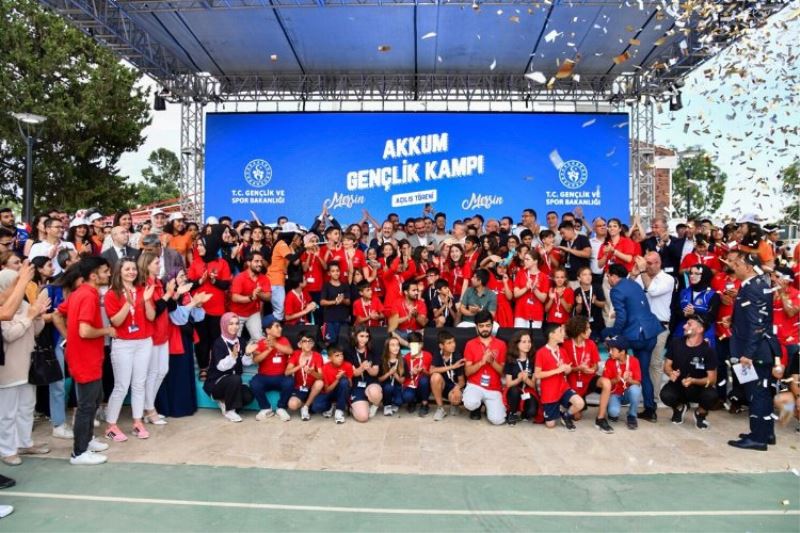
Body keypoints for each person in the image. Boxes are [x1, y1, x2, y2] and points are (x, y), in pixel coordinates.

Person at [53, 257, 114, 465]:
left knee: (95, 399)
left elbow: (57, 316)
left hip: (87, 356)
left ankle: (87, 440)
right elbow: (85, 331)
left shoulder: (81, 292)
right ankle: (79, 452)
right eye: (105, 271)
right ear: (93, 276)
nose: (108, 274)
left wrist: (70, 338)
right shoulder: (87, 295)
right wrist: (107, 330)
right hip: (85, 358)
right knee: (87, 405)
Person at [727, 252, 782, 451]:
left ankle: (758, 438)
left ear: (748, 267)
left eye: (737, 264)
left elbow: (757, 325)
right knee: (763, 393)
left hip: (755, 352)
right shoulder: (756, 284)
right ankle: (765, 433)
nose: (733, 267)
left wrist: (748, 354)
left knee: (756, 394)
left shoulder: (753, 288)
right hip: (758, 348)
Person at [602, 263, 664, 422]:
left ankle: (614, 399)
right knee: (644, 372)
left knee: (607, 339)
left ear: (614, 276)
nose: (608, 279)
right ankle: (650, 410)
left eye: (608, 276)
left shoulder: (616, 290)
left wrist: (611, 335)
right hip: (650, 333)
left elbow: (621, 318)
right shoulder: (635, 284)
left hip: (635, 335)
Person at [103, 257, 156, 442]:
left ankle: (137, 422)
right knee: (121, 386)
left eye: (133, 269)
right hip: (123, 344)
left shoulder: (143, 290)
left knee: (139, 384)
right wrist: (128, 303)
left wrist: (146, 300)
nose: (131, 272)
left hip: (144, 342)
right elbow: (116, 322)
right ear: (119, 271)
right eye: (127, 269)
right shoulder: (112, 294)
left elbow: (151, 316)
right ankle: (111, 426)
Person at [0, 270, 49, 466]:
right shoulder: (4, 308)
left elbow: (35, 331)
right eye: (16, 283)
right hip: (9, 369)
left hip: (29, 365)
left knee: (27, 407)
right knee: (7, 413)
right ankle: (7, 450)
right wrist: (29, 317)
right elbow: (9, 335)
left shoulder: (24, 304)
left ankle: (24, 443)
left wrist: (38, 317)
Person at [630, 252, 674, 402]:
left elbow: (653, 291)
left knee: (654, 363)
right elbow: (626, 290)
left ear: (658, 263)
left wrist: (642, 272)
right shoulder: (640, 276)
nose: (646, 266)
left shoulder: (668, 279)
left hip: (659, 325)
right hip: (640, 325)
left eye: (649, 263)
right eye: (645, 263)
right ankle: (639, 395)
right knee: (639, 362)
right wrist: (633, 274)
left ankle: (653, 398)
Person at [187, 230, 231, 379]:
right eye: (198, 245)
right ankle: (203, 367)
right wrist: (200, 281)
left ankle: (216, 366)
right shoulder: (195, 263)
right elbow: (188, 285)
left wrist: (213, 281)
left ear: (210, 246)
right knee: (201, 340)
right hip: (199, 309)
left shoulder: (222, 263)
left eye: (201, 245)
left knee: (216, 339)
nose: (198, 248)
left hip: (217, 309)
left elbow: (226, 285)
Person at [660, 316, 718, 430]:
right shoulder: (675, 343)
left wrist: (693, 380)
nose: (684, 326)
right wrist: (671, 373)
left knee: (712, 396)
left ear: (700, 329)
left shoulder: (708, 350)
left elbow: (712, 379)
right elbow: (667, 365)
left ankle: (700, 413)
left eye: (689, 324)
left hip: (699, 388)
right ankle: (679, 408)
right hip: (678, 385)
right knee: (666, 395)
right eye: (686, 323)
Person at [138, 252, 175, 426]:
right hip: (151, 334)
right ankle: (149, 409)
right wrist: (167, 295)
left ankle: (148, 407)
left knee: (162, 371)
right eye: (156, 263)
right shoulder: (145, 284)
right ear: (146, 265)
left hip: (163, 332)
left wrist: (172, 294)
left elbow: (167, 306)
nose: (159, 265)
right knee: (152, 373)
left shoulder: (159, 283)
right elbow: (152, 312)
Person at [205, 313, 254, 422]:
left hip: (233, 383)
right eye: (230, 324)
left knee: (248, 396)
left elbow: (245, 362)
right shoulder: (218, 343)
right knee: (235, 379)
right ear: (224, 325)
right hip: (217, 384)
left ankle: (224, 402)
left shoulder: (241, 341)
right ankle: (230, 410)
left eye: (236, 323)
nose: (234, 327)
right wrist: (232, 356)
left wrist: (247, 353)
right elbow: (221, 367)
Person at [534, 324, 585, 430]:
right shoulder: (541, 352)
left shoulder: (562, 350)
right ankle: (557, 409)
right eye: (560, 331)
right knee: (550, 425)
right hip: (549, 391)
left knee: (580, 403)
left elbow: (567, 371)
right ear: (551, 335)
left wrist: (567, 369)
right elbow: (537, 374)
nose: (563, 334)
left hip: (563, 387)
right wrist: (557, 370)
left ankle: (565, 416)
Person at [462, 311, 507, 425]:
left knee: (498, 420)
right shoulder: (470, 344)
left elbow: (503, 372)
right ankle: (477, 407)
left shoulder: (501, 344)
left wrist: (492, 362)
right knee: (470, 403)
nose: (485, 329)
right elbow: (467, 372)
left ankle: (487, 406)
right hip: (475, 385)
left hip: (494, 387)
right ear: (476, 327)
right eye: (481, 326)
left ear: (492, 325)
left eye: (488, 325)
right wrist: (482, 362)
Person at [249, 316, 294, 422]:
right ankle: (265, 408)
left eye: (280, 326)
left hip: (281, 376)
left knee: (289, 382)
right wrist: (268, 350)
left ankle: (281, 408)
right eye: (277, 326)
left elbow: (290, 351)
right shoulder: (261, 343)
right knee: (254, 383)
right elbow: (255, 360)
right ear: (268, 330)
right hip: (264, 377)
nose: (280, 328)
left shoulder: (283, 340)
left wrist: (275, 344)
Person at [599, 336, 643, 430]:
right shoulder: (609, 362)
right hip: (614, 394)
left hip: (627, 394)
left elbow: (638, 383)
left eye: (613, 350)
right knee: (613, 413)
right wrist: (616, 379)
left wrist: (629, 380)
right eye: (610, 349)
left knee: (636, 389)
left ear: (622, 351)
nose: (610, 352)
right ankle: (611, 408)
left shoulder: (634, 361)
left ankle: (632, 415)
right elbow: (605, 383)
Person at [229, 251, 271, 341]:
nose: (260, 264)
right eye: (256, 261)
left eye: (261, 261)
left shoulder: (264, 278)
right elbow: (234, 297)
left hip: (253, 313)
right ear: (248, 263)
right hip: (237, 314)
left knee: (258, 339)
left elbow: (268, 297)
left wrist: (259, 293)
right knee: (234, 340)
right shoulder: (239, 277)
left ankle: (249, 349)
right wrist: (251, 297)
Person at [344, 326, 383, 422]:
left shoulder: (373, 350)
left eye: (367, 336)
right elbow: (354, 373)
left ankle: (375, 405)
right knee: (363, 417)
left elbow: (375, 373)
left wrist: (368, 368)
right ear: (355, 336)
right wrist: (362, 367)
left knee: (375, 393)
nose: (364, 339)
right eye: (361, 336)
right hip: (357, 385)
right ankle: (353, 406)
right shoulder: (348, 351)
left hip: (371, 383)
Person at [285, 331, 325, 421]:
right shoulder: (295, 354)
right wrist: (299, 366)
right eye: (304, 341)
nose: (307, 343)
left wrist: (312, 372)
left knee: (320, 383)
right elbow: (287, 372)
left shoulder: (317, 356)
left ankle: (305, 407)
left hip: (313, 388)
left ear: (313, 344)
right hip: (300, 388)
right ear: (299, 344)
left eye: (310, 341)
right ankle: (307, 403)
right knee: (292, 405)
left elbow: (321, 376)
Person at [562, 315, 600, 409]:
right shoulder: (566, 345)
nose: (590, 331)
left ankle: (601, 416)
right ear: (579, 330)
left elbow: (596, 365)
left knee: (606, 383)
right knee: (577, 413)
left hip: (589, 380)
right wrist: (578, 368)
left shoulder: (591, 343)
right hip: (573, 382)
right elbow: (564, 370)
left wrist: (593, 369)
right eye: (587, 328)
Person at [504, 330, 538, 426]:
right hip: (513, 390)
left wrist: (526, 379)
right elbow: (508, 384)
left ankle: (524, 414)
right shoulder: (510, 360)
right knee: (514, 391)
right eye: (524, 342)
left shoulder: (533, 360)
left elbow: (533, 385)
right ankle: (512, 413)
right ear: (517, 344)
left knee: (532, 412)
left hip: (527, 390)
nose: (527, 344)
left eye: (529, 341)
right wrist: (519, 379)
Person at [429, 330, 465, 421]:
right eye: (449, 343)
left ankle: (454, 405)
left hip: (454, 386)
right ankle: (440, 408)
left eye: (453, 342)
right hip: (442, 386)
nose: (453, 345)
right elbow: (431, 370)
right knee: (435, 377)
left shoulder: (457, 355)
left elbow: (462, 381)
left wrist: (457, 389)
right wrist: (452, 366)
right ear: (441, 346)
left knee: (455, 398)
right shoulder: (438, 353)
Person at [313, 345, 352, 424]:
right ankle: (331, 405)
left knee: (344, 381)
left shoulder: (348, 365)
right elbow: (327, 390)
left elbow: (350, 385)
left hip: (342, 392)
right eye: (337, 355)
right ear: (329, 358)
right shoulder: (325, 368)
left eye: (341, 355)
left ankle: (339, 410)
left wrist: (345, 376)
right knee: (316, 407)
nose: (341, 358)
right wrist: (337, 379)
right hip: (330, 393)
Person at [512, 250, 550, 329]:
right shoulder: (520, 274)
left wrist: (535, 289)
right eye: (524, 259)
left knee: (534, 336)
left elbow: (543, 299)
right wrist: (526, 288)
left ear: (535, 261)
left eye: (528, 259)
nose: (525, 261)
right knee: (518, 335)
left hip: (536, 314)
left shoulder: (544, 277)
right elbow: (515, 294)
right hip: (521, 313)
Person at [387, 279, 427, 345]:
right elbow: (393, 322)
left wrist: (416, 315)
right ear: (406, 292)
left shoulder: (421, 303)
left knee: (422, 333)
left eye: (417, 290)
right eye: (413, 290)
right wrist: (408, 317)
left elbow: (423, 323)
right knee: (391, 332)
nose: (416, 293)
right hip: (401, 333)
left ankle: (410, 345)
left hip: (416, 333)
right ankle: (408, 345)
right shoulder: (397, 303)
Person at [402, 331, 433, 416]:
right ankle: (412, 402)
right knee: (407, 397)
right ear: (409, 345)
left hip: (423, 386)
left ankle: (425, 404)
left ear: (421, 344)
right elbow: (403, 375)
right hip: (410, 384)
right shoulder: (406, 357)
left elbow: (431, 374)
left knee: (424, 380)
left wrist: (423, 371)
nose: (415, 347)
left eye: (418, 344)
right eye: (412, 345)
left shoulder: (428, 356)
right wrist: (411, 372)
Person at [319, 263, 351, 346]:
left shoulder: (344, 285)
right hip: (330, 320)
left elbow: (348, 302)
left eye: (337, 271)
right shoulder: (326, 285)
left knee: (343, 343)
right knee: (330, 343)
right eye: (333, 271)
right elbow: (322, 302)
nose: (336, 273)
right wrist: (335, 301)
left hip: (343, 319)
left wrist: (342, 300)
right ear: (329, 273)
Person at [572, 266, 605, 339]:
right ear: (579, 278)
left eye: (590, 274)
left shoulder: (597, 288)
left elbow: (603, 304)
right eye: (584, 274)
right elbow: (577, 311)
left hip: (597, 323)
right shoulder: (577, 291)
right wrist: (579, 304)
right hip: (584, 326)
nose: (588, 277)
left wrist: (595, 302)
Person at [378, 337, 405, 416]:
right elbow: (379, 379)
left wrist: (395, 374)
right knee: (388, 388)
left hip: (397, 386)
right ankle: (387, 405)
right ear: (387, 347)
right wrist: (389, 373)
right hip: (385, 386)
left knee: (399, 402)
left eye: (397, 345)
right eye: (392, 345)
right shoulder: (382, 360)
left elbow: (402, 381)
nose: (396, 347)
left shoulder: (402, 361)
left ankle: (394, 402)